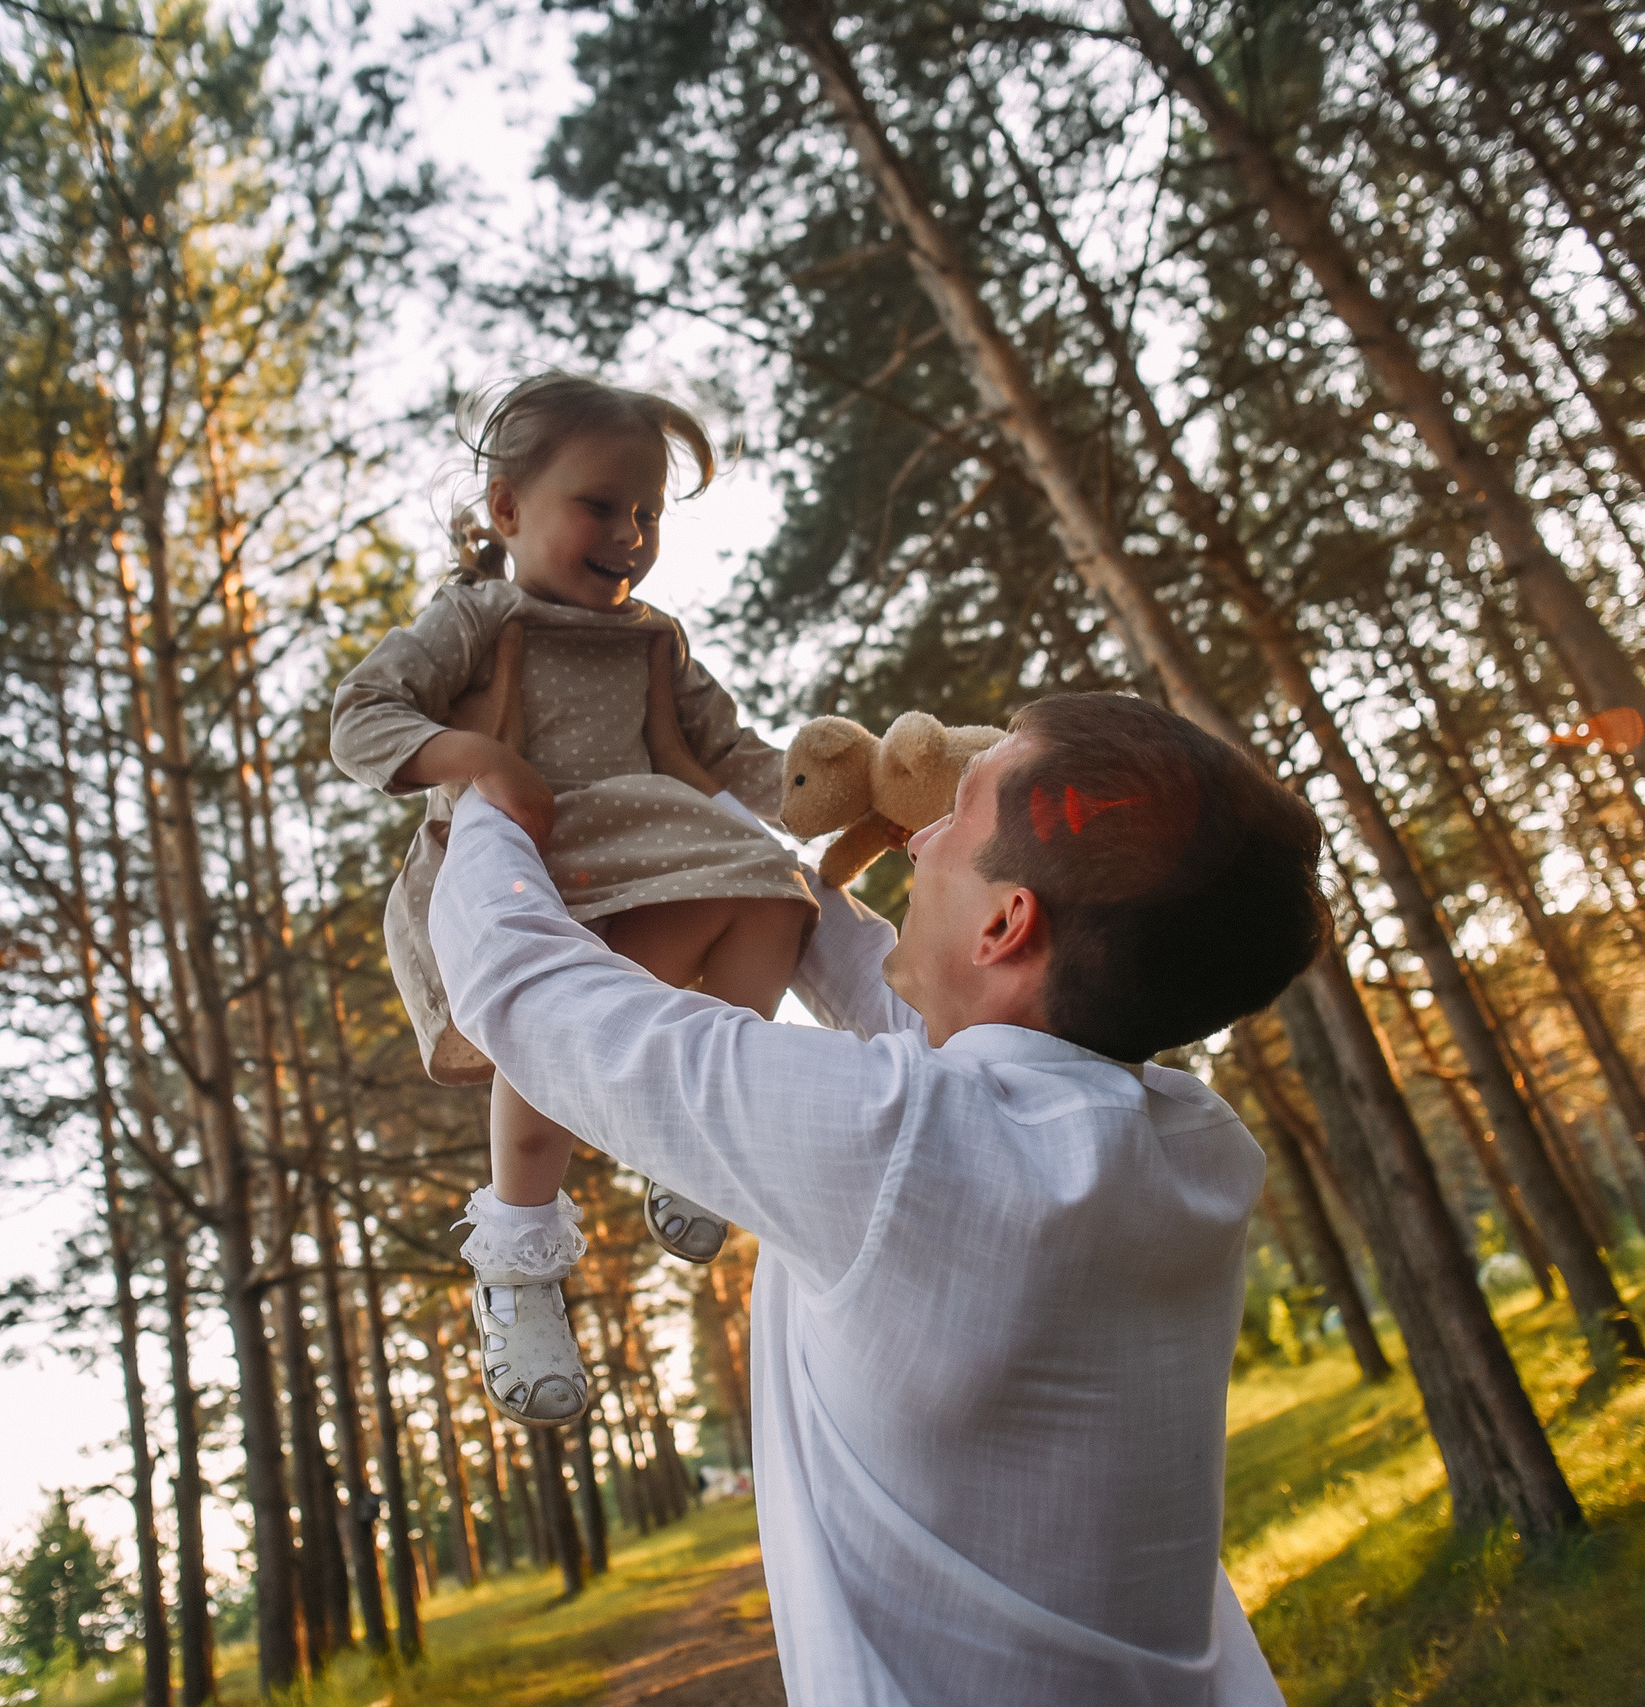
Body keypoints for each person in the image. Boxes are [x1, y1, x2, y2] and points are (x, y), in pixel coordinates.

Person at [428, 692, 1325, 1703]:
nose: (919, 839)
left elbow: (526, 990)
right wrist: (727, 811)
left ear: (1004, 924)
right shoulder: (1191, 1149)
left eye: (959, 813)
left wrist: (487, 798)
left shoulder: (901, 1148)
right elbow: (880, 984)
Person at [328, 372, 814, 1428]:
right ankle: (519, 1259)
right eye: (601, 505)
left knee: (778, 892)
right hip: (525, 871)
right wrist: (471, 756)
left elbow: (730, 757)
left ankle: (694, 1133)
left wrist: (837, 791)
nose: (631, 534)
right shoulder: (475, 616)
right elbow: (359, 715)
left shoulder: (654, 639)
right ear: (507, 509)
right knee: (547, 1044)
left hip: (653, 854)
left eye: (648, 513)